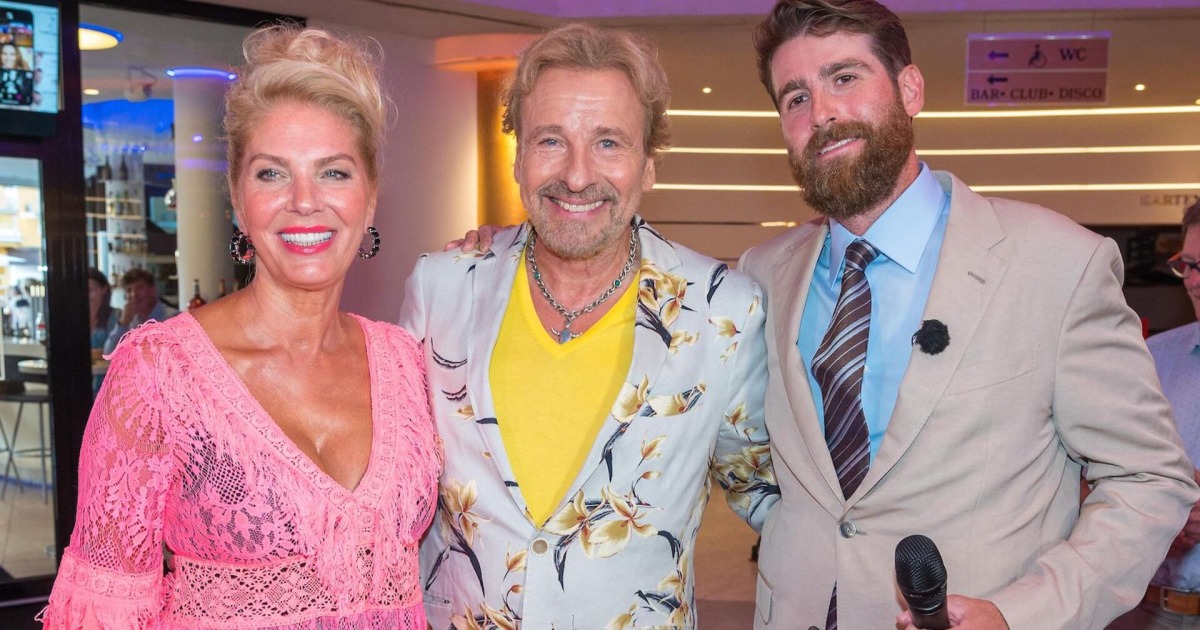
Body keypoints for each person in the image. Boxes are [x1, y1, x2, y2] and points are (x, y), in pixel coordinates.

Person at [740, 1, 1199, 628]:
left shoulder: (1058, 263)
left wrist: (1019, 614)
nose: (820, 112)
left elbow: (1149, 478)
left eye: (844, 77)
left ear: (910, 89)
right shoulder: (762, 274)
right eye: (795, 98)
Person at [41, 25, 441, 628]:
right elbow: (104, 608)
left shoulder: (406, 362)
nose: (304, 200)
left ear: (371, 196)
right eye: (271, 173)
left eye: (334, 172)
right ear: (237, 198)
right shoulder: (160, 374)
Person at [400, 22, 777, 628]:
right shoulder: (442, 288)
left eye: (608, 143)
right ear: (518, 157)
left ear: (648, 165)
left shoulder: (723, 310)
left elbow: (771, 495)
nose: (577, 176)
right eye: (551, 140)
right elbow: (398, 489)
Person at [1110, 200, 1200, 629]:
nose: (1194, 282)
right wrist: (1158, 513)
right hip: (1144, 610)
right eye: (1188, 265)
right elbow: (1090, 478)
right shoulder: (1150, 359)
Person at [101, 267, 178, 355]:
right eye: (129, 290)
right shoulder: (130, 322)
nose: (134, 294)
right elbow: (109, 353)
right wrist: (122, 324)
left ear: (153, 290)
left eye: (139, 288)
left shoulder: (174, 318)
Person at [86, 268, 117, 354]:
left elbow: (115, 349)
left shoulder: (115, 316)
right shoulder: (74, 318)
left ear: (104, 289)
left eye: (89, 290)